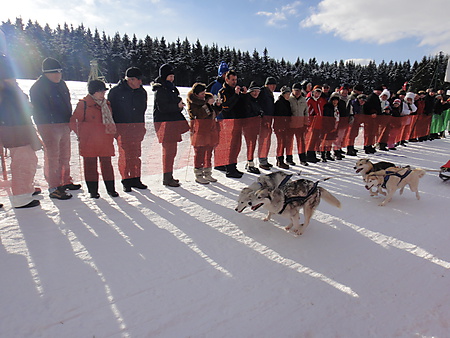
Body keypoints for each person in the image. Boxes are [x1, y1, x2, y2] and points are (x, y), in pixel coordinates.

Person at [29, 57, 80, 200]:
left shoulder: (61, 84)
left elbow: (67, 102)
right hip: (48, 126)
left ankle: (65, 180)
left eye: (59, 72)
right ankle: (54, 187)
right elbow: (39, 110)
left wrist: (69, 120)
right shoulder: (38, 88)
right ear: (45, 73)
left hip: (64, 124)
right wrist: (49, 123)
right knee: (53, 157)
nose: (57, 75)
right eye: (53, 73)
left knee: (65, 155)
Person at [0, 54, 41, 208]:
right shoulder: (6, 91)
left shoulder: (10, 89)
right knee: (23, 162)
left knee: (28, 161)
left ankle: (25, 190)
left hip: (19, 130)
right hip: (15, 131)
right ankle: (21, 196)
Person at [70, 80, 118, 198]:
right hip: (89, 141)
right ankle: (93, 191)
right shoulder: (84, 104)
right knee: (90, 165)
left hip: (105, 140)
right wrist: (84, 134)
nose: (103, 94)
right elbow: (74, 122)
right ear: (93, 92)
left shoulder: (107, 104)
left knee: (107, 164)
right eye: (100, 91)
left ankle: (111, 189)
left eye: (104, 91)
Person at [108, 67, 148, 192]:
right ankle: (126, 180)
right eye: (138, 80)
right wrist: (116, 130)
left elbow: (143, 111)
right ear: (130, 80)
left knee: (136, 155)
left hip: (137, 128)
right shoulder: (115, 92)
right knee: (125, 156)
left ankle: (136, 179)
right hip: (122, 129)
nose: (141, 82)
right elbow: (110, 112)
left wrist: (142, 127)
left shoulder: (142, 92)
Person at [152, 63, 189, 187]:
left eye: (173, 76)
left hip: (171, 123)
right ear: (164, 76)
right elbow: (162, 107)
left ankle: (169, 176)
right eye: (170, 76)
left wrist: (179, 104)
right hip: (165, 123)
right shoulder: (161, 89)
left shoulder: (170, 87)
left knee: (172, 151)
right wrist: (176, 106)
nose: (172, 78)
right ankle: (167, 178)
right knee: (169, 151)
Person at [187, 83, 221, 184]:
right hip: (199, 130)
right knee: (199, 152)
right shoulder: (193, 102)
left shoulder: (206, 99)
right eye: (201, 94)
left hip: (210, 130)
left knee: (209, 151)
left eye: (204, 93)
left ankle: (207, 173)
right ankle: (198, 174)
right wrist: (208, 105)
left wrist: (217, 107)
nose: (203, 95)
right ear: (196, 94)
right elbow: (199, 114)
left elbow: (212, 113)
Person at [217, 70, 246, 178]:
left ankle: (233, 166)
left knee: (236, 146)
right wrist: (236, 95)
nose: (234, 82)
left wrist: (243, 95)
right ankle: (230, 169)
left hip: (238, 121)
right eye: (232, 80)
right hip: (228, 122)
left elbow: (242, 105)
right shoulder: (223, 91)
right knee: (230, 146)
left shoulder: (235, 90)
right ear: (227, 79)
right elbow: (226, 106)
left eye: (235, 80)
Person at [242, 81, 263, 174]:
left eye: (258, 91)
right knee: (250, 144)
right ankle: (250, 163)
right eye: (254, 91)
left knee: (253, 144)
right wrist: (256, 115)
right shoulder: (247, 99)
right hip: (248, 126)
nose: (256, 93)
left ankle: (249, 162)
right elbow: (247, 112)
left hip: (254, 126)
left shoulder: (256, 100)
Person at [258, 77, 277, 170]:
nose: (273, 87)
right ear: (266, 85)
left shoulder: (269, 93)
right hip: (263, 120)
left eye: (274, 85)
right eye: (271, 85)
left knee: (267, 140)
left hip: (268, 119)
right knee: (263, 141)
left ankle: (265, 159)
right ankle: (262, 161)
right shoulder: (263, 92)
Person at [289, 82, 309, 166]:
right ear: (292, 91)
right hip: (291, 125)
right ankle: (289, 159)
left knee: (301, 142)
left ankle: (303, 159)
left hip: (300, 125)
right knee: (289, 143)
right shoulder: (289, 99)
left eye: (299, 90)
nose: (297, 92)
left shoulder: (303, 100)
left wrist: (306, 122)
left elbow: (306, 112)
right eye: (295, 90)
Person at [273, 86, 292, 169]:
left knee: (283, 143)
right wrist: (280, 126)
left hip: (286, 126)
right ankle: (279, 160)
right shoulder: (279, 102)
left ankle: (280, 159)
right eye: (287, 94)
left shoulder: (287, 102)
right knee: (281, 143)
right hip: (280, 126)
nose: (288, 96)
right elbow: (277, 116)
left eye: (289, 94)